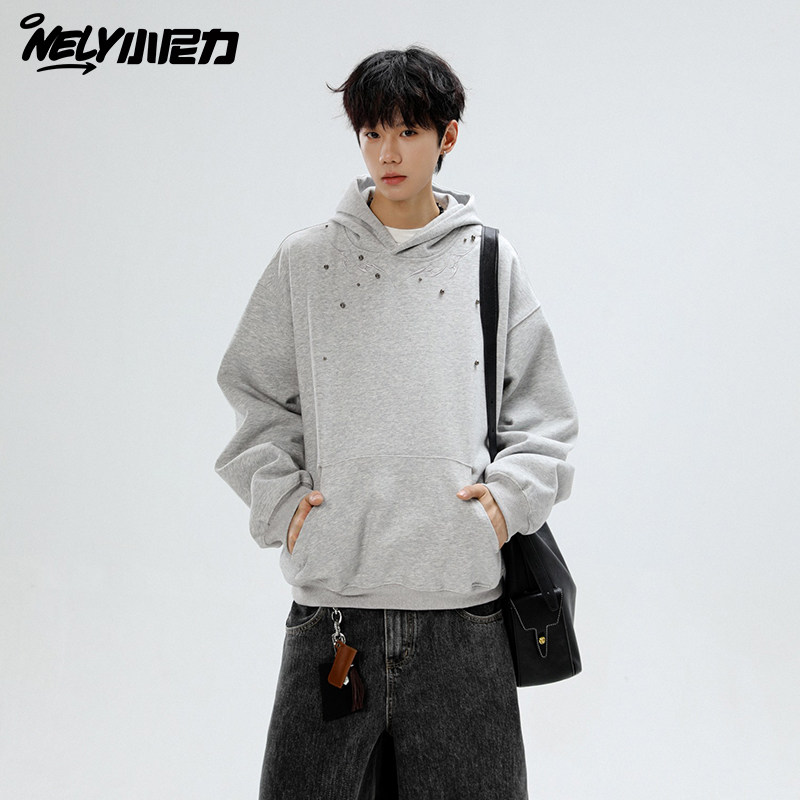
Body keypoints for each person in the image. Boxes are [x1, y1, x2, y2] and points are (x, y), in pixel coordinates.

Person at [214, 45, 579, 800]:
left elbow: (544, 414)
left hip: (463, 618)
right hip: (334, 613)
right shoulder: (304, 262)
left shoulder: (490, 261)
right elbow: (254, 394)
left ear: (448, 137)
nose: (388, 152)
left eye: (409, 132)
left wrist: (505, 503)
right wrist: (283, 505)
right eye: (372, 132)